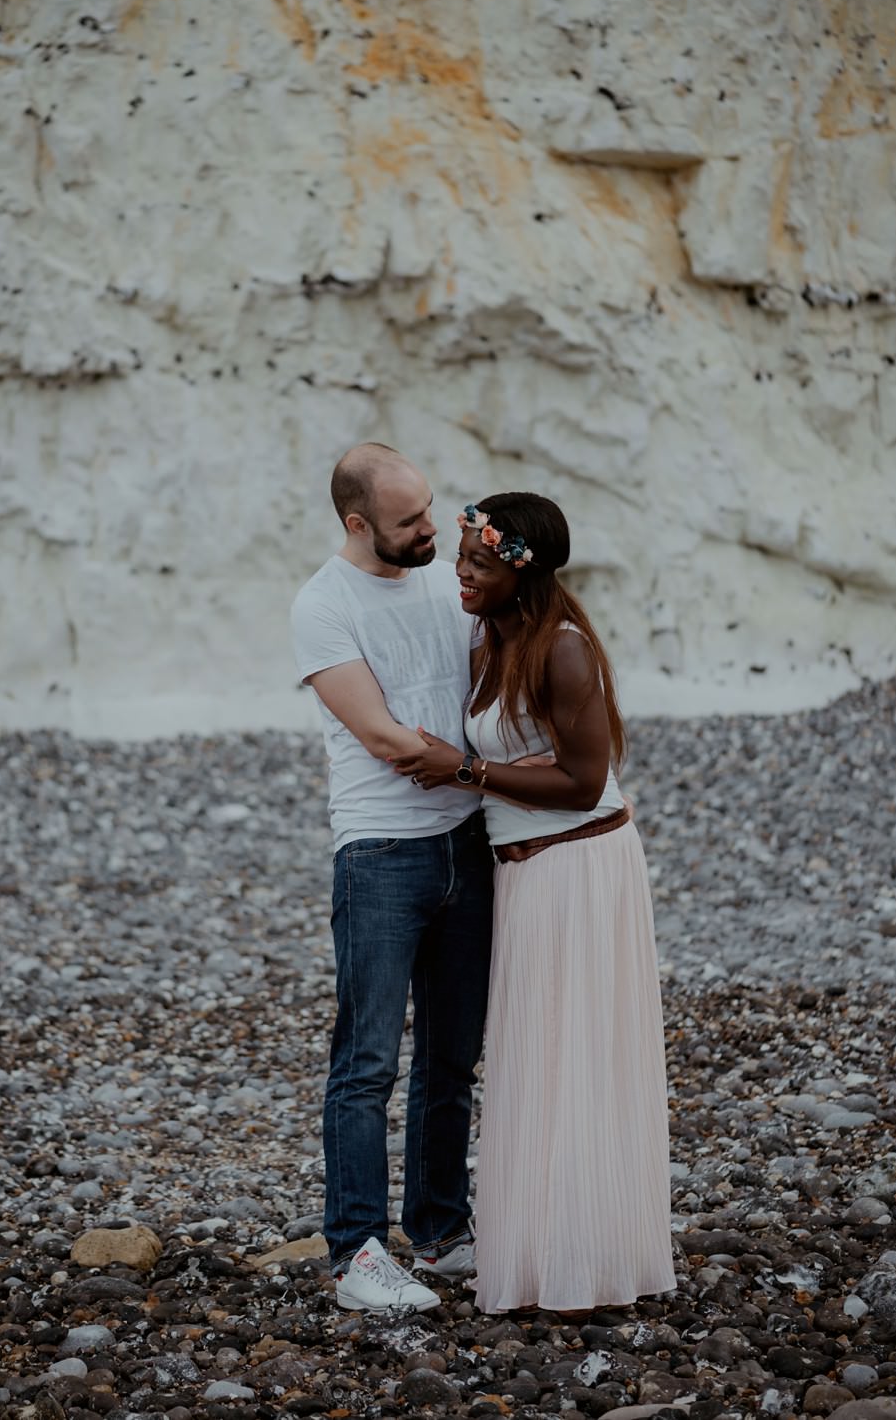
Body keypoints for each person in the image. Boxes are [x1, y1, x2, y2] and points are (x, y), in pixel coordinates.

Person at [394, 491, 676, 1315]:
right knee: (533, 1059)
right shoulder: (492, 637)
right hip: (521, 875)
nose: (462, 573)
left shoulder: (562, 651)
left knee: (577, 1056)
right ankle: (543, 1250)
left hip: (582, 868)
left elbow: (584, 782)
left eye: (479, 563)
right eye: (462, 558)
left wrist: (465, 770)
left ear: (520, 571)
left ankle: (588, 1258)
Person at [289, 443, 494, 1313]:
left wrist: (461, 772)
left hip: (469, 843)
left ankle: (442, 1230)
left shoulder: (449, 579)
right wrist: (457, 761)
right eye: (410, 520)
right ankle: (357, 1255)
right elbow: (382, 737)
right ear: (357, 523)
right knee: (366, 1062)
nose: (430, 530)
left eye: (431, 510)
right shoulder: (322, 604)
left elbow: (491, 693)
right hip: (379, 852)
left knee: (451, 1059)